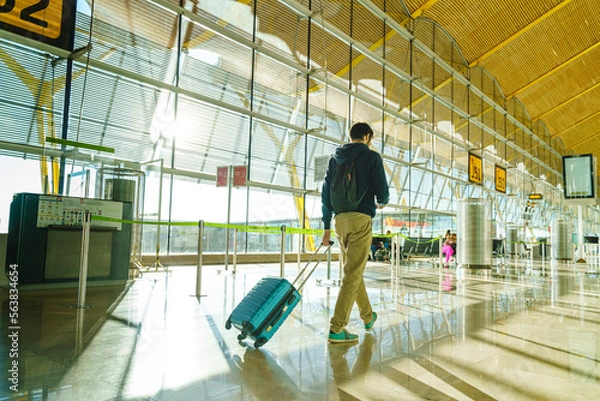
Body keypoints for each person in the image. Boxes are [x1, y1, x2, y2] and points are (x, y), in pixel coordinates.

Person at [321, 122, 390, 343]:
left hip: (339, 220)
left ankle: (368, 316)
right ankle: (337, 328)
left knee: (353, 270)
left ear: (350, 136)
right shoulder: (372, 157)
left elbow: (325, 195)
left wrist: (326, 228)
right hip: (360, 218)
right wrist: (382, 202)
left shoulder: (335, 159)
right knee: (352, 274)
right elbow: (382, 191)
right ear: (367, 136)